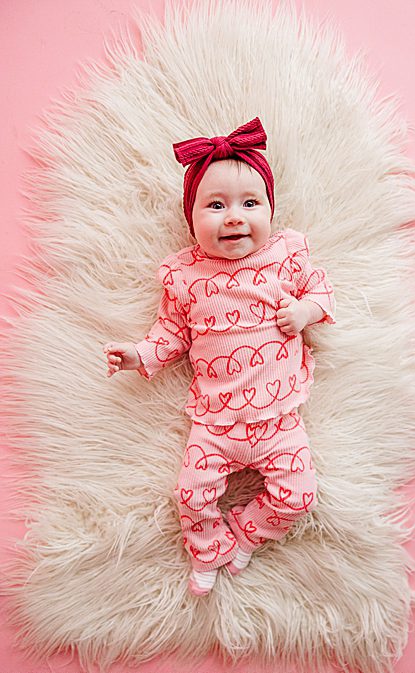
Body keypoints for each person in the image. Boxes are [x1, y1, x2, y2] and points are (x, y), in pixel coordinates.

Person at [103, 118, 335, 596]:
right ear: (191, 219)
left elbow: (322, 291)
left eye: (250, 204)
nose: (234, 217)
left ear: (271, 209)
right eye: (215, 206)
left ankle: (247, 531)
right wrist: (138, 354)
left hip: (278, 417)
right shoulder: (184, 275)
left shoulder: (284, 255)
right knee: (190, 495)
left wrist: (304, 309)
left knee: (299, 497)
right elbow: (172, 332)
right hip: (215, 423)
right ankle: (207, 546)